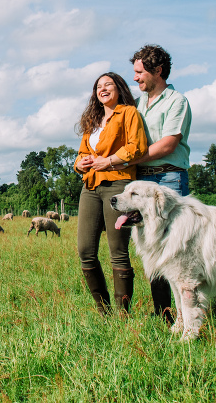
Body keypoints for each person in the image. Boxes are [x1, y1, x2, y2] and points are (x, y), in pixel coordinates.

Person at [74, 72, 148, 316]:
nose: (102, 89)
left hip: (118, 183)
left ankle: (123, 314)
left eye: (108, 85)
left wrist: (110, 161)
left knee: (118, 252)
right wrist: (80, 164)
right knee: (85, 251)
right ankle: (103, 311)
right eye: (98, 86)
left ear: (119, 89)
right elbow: (82, 152)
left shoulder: (128, 113)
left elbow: (136, 147)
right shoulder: (93, 121)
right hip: (90, 187)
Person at [129, 44, 192, 324]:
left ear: (158, 70)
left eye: (140, 72)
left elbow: (168, 143)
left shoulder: (176, 101)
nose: (135, 78)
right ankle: (163, 311)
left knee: (175, 244)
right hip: (143, 179)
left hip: (169, 177)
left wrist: (129, 158)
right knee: (150, 243)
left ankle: (185, 314)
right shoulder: (138, 104)